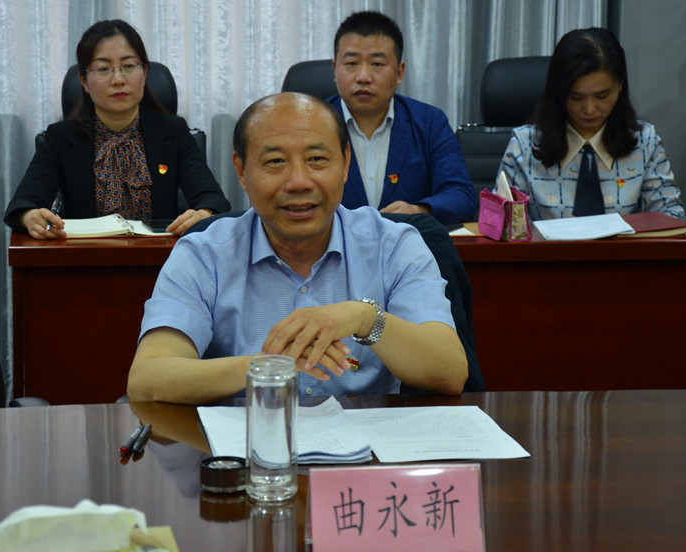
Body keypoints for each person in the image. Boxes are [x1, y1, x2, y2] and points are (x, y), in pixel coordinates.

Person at [127, 92, 468, 405]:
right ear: (242, 171)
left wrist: (364, 318)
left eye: (317, 159)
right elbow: (147, 379)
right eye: (275, 161)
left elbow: (450, 371)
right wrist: (268, 366)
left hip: (366, 447)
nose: (299, 182)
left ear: (345, 163)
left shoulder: (393, 245)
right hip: (250, 445)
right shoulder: (203, 254)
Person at [4, 19, 230, 239]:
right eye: (103, 69)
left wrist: (204, 215)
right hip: (83, 258)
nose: (118, 80)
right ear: (84, 81)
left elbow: (212, 199)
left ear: (144, 73)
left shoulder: (174, 132)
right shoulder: (60, 138)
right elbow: (24, 202)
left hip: (161, 258)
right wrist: (30, 217)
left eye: (129, 66)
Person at [496, 27, 685, 221]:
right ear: (559, 91)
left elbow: (670, 215)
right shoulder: (524, 145)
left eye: (602, 96)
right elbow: (503, 224)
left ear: (620, 85)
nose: (589, 109)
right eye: (576, 97)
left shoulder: (644, 142)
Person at [327, 11, 476, 224]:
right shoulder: (311, 125)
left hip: (410, 243)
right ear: (335, 69)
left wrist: (419, 210)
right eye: (351, 63)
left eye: (377, 64)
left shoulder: (429, 122)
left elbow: (462, 197)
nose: (363, 77)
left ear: (399, 72)